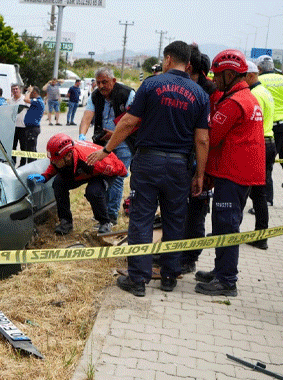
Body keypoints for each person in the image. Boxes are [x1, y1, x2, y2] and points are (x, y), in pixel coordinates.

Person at [88, 41, 210, 297]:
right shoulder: (199, 94)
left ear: (167, 59)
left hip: (148, 163)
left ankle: (138, 279)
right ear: (188, 64)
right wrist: (200, 174)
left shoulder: (152, 85)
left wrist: (106, 150)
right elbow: (202, 139)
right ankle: (169, 276)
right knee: (175, 220)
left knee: (142, 219)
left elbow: (129, 122)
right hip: (179, 167)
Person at [194, 49, 265, 297]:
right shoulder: (247, 97)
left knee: (226, 225)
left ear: (230, 74)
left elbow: (211, 138)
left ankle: (227, 280)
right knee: (226, 222)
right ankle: (220, 270)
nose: (213, 79)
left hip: (233, 173)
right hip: (241, 172)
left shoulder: (234, 103)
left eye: (217, 74)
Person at [179, 46, 224, 275]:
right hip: (180, 159)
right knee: (176, 210)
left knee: (196, 212)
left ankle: (189, 257)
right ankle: (173, 252)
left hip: (202, 162)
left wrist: (205, 171)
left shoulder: (212, 93)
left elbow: (210, 136)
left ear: (190, 68)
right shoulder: (183, 87)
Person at [27, 133, 127, 235]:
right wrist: (45, 176)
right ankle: (65, 222)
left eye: (56, 160)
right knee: (58, 184)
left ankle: (105, 222)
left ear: (69, 155)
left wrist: (123, 172)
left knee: (93, 192)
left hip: (98, 173)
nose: (53, 162)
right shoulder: (64, 157)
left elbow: (116, 166)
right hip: (80, 171)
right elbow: (54, 164)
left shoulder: (92, 160)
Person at [78, 67, 135, 225]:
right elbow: (87, 116)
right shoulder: (95, 95)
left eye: (105, 82)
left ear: (114, 81)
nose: (102, 86)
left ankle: (111, 216)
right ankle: (103, 213)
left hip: (124, 142)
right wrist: (82, 136)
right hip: (102, 143)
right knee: (102, 176)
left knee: (116, 178)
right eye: (98, 82)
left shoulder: (127, 94)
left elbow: (133, 121)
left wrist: (115, 133)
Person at [256, 55, 283, 190]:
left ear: (259, 68)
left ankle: (267, 197)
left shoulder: (258, 80)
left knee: (268, 160)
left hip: (274, 125)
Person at [245, 60, 276, 250]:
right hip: (269, 142)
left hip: (260, 144)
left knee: (254, 193)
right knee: (259, 193)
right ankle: (260, 235)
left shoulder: (254, 94)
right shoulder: (264, 91)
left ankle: (261, 236)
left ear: (250, 75)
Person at [21, 86, 44, 165]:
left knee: (31, 150)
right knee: (31, 149)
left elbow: (25, 99)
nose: (29, 94)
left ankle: (32, 167)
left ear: (34, 93)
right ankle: (34, 165)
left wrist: (29, 91)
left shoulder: (38, 101)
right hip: (30, 128)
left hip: (32, 128)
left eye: (31, 93)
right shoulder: (37, 101)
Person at [9, 84, 28, 166]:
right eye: (13, 89)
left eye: (16, 89)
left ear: (20, 90)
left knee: (23, 147)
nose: (15, 91)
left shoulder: (24, 99)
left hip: (23, 127)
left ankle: (23, 164)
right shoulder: (10, 100)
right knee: (13, 146)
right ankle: (13, 162)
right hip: (13, 127)